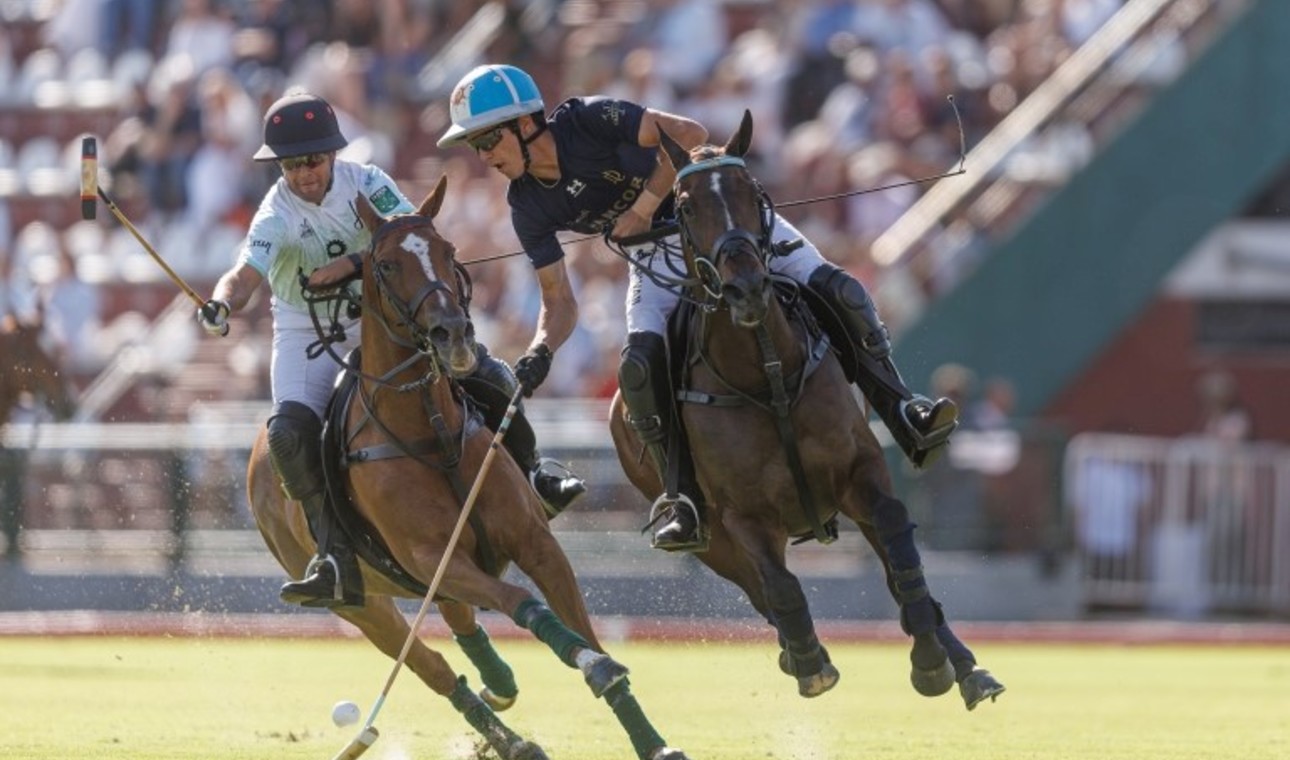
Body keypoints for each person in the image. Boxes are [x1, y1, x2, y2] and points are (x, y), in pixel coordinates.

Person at [436, 64, 958, 553]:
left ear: (527, 122)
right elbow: (559, 301)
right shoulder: (526, 204)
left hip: (719, 224)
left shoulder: (589, 121)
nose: (484, 155)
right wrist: (541, 350)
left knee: (841, 290)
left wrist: (641, 209)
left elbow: (688, 133)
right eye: (475, 145)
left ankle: (902, 410)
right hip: (655, 259)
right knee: (637, 368)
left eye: (488, 138)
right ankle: (682, 497)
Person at [198, 89, 585, 609]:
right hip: (306, 332)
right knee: (289, 435)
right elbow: (245, 275)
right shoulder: (276, 214)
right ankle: (332, 555)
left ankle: (535, 473)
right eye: (292, 165)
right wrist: (221, 304)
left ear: (332, 154)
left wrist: (353, 265)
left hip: (384, 318)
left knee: (489, 375)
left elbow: (412, 234)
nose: (305, 173)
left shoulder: (368, 183)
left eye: (313, 160)